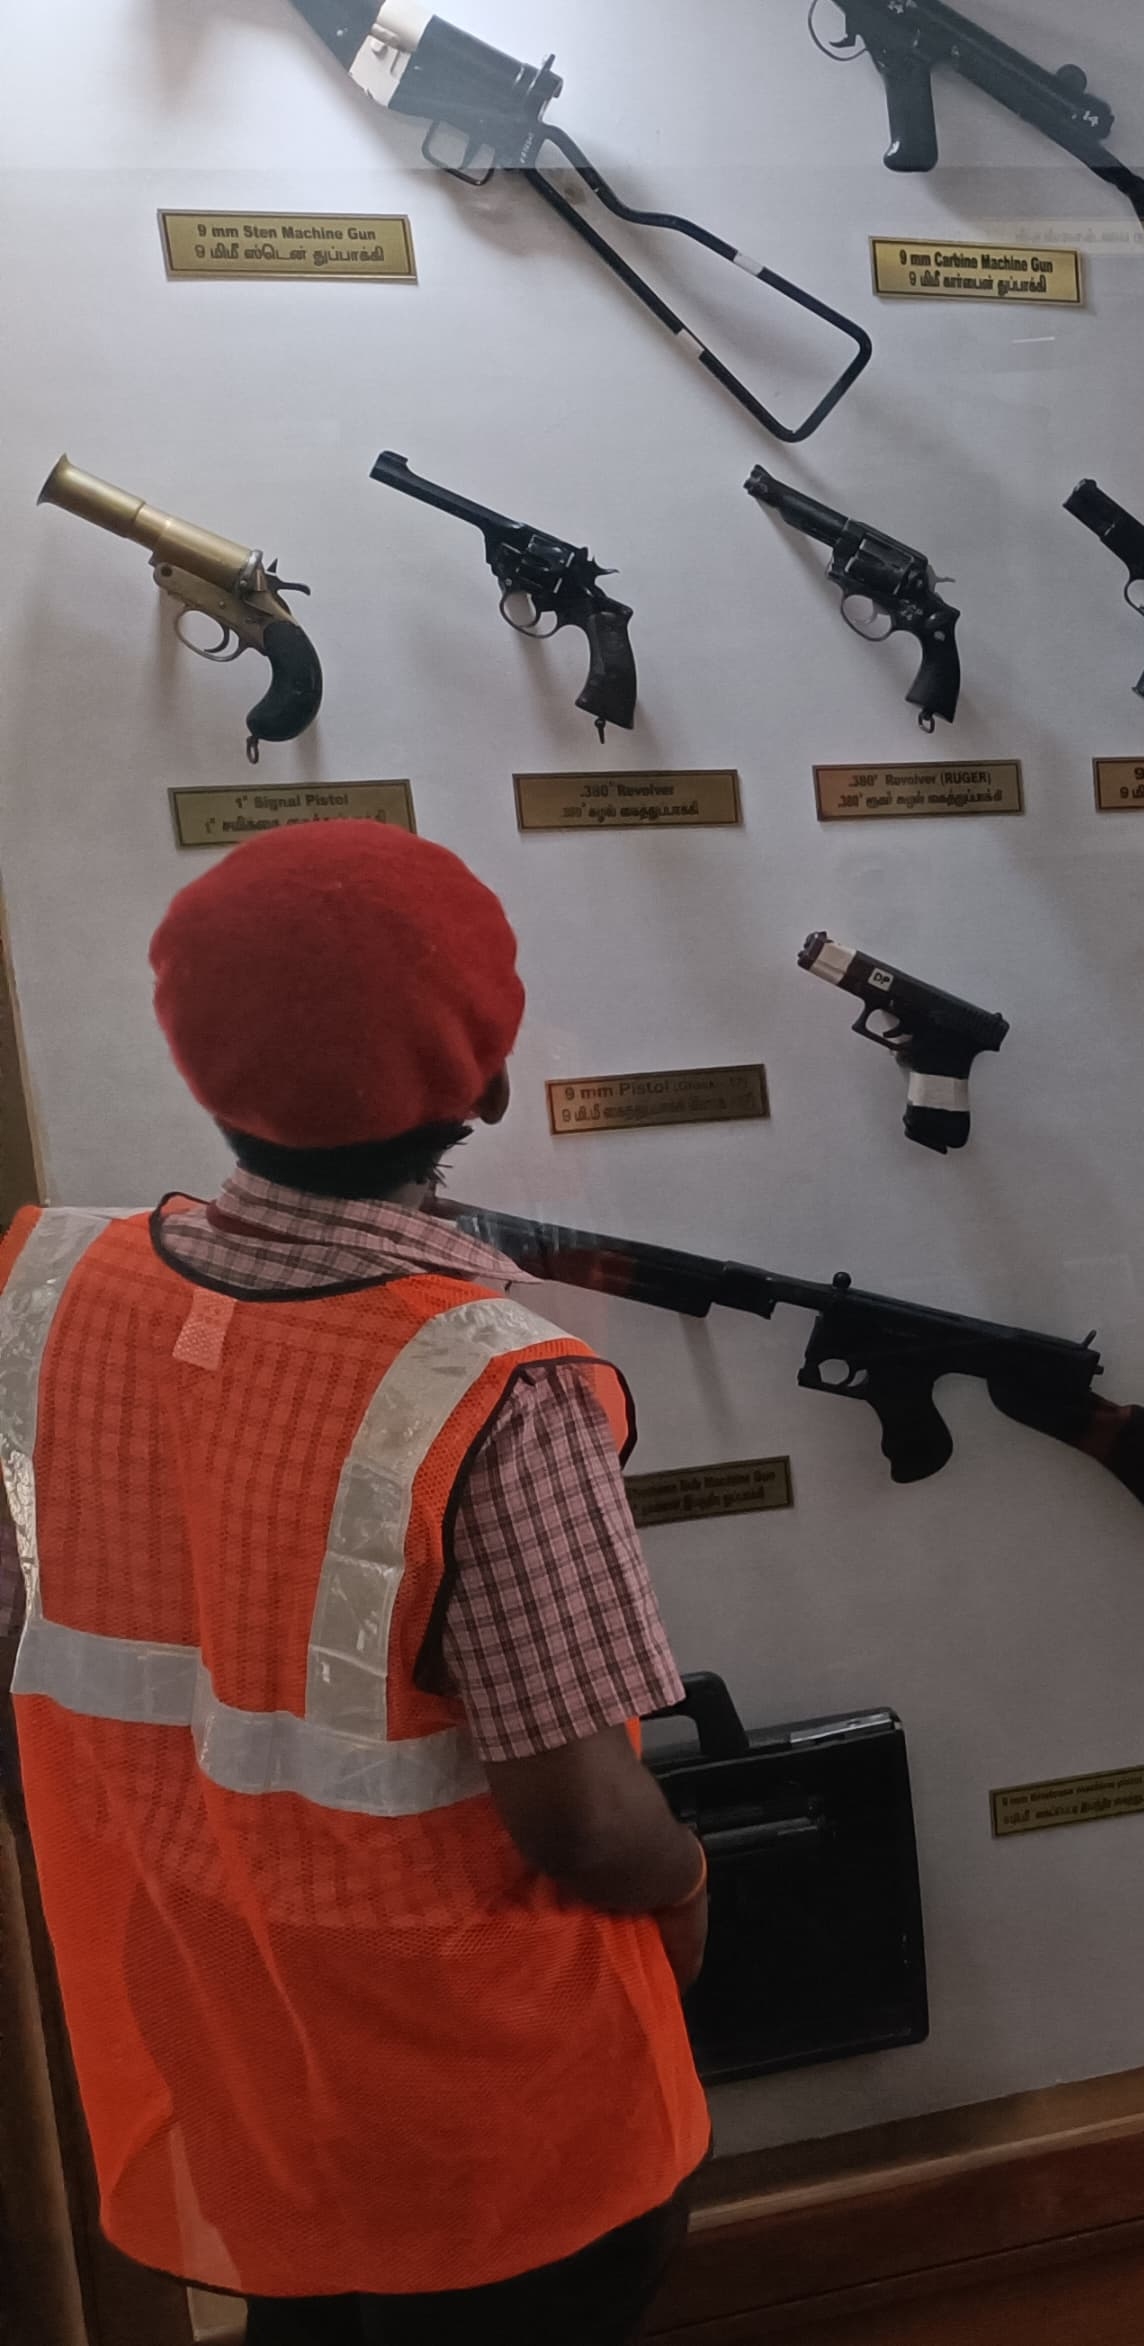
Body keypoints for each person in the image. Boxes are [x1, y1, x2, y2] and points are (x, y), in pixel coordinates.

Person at [0, 823, 713, 2345]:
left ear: (198, 1062)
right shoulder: (498, 1383)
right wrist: (691, 1883)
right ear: (489, 1086)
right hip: (478, 2070)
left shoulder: (50, 1292)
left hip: (222, 2011)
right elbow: (585, 1820)